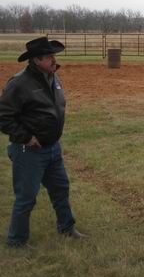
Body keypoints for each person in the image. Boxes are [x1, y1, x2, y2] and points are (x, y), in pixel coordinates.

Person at [0, 36, 86, 247]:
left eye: (53, 55)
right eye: (49, 57)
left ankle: (66, 227)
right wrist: (26, 137)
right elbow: (3, 116)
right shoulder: (19, 83)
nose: (54, 60)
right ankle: (16, 240)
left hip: (52, 148)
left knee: (61, 189)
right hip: (28, 152)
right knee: (26, 197)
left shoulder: (53, 77)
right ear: (36, 60)